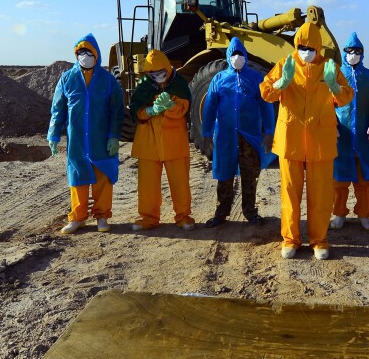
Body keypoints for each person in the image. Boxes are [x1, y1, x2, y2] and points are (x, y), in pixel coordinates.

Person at [260, 23, 354, 260]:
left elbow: (345, 97)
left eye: (311, 47)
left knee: (320, 195)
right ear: (296, 44)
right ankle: (290, 239)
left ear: (318, 47)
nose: (306, 51)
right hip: (290, 139)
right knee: (290, 194)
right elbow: (265, 91)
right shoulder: (285, 63)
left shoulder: (329, 66)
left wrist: (332, 85)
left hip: (320, 140)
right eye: (302, 46)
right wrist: (281, 83)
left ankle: (319, 240)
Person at [47, 33, 124, 234]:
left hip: (101, 138)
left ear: (96, 55)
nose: (85, 56)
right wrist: (53, 133)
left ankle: (102, 216)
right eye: (81, 52)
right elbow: (58, 109)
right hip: (78, 140)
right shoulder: (67, 79)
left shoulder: (107, 80)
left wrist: (114, 135)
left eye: (88, 52)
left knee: (102, 177)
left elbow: (117, 110)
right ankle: (78, 217)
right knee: (78, 176)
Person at [202, 37, 276, 228]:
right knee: (224, 174)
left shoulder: (255, 78)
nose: (237, 57)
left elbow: (266, 106)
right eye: (233, 54)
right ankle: (221, 212)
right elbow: (209, 107)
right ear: (228, 56)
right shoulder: (219, 79)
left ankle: (250, 212)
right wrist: (206, 133)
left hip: (249, 136)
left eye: (240, 54)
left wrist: (269, 132)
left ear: (245, 55)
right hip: (226, 136)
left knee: (250, 174)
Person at [129, 50, 195, 231]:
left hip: (174, 140)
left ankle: (184, 216)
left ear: (167, 67)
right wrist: (150, 110)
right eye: (152, 73)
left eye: (160, 72)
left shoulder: (179, 83)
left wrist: (169, 107)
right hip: (149, 141)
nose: (157, 76)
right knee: (147, 185)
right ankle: (148, 218)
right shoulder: (143, 84)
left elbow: (183, 108)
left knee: (180, 182)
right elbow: (136, 109)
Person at [331, 32, 369, 231]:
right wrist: (332, 125)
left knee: (364, 181)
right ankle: (339, 213)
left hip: (363, 137)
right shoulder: (335, 76)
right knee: (339, 180)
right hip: (341, 137)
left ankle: (364, 213)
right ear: (344, 53)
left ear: (363, 54)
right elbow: (327, 105)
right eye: (350, 51)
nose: (353, 54)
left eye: (357, 51)